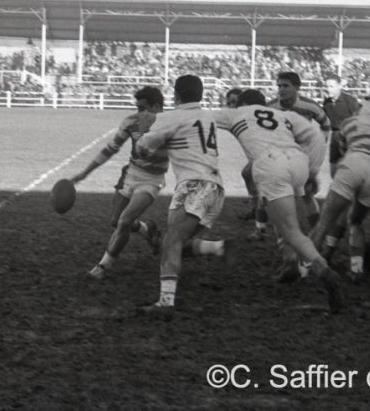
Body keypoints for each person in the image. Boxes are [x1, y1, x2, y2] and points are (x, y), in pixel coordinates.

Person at [214, 89, 343, 313]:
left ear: (243, 103)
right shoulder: (284, 115)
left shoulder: (238, 113)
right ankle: (290, 262)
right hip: (297, 162)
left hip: (271, 165)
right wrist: (312, 171)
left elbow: (197, 117)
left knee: (290, 229)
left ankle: (323, 270)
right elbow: (315, 136)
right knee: (282, 216)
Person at [135, 75, 231, 318]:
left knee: (171, 241)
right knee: (177, 243)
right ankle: (219, 248)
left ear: (176, 95)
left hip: (194, 185)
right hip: (216, 188)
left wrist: (143, 130)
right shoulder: (207, 116)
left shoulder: (170, 117)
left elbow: (142, 151)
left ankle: (166, 303)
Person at [70, 86, 168, 279]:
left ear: (157, 107)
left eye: (143, 108)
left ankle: (103, 266)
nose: (139, 112)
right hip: (130, 174)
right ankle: (147, 229)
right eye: (137, 108)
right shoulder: (131, 122)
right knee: (116, 221)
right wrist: (84, 173)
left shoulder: (171, 125)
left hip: (152, 180)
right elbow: (111, 148)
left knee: (124, 221)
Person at [248, 72, 330, 281]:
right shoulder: (271, 107)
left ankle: (316, 235)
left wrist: (321, 144)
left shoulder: (310, 106)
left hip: (303, 154)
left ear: (296, 87)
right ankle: (261, 231)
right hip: (278, 154)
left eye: (285, 85)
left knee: (306, 194)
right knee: (271, 193)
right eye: (279, 86)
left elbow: (325, 123)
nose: (281, 90)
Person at [311, 98, 370, 282]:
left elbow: (342, 148)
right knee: (356, 221)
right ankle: (356, 269)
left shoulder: (350, 122)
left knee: (325, 221)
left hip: (353, 164)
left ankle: (306, 265)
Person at [320, 74, 361, 261]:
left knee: (348, 176)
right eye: (327, 86)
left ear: (339, 86)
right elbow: (325, 124)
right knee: (334, 174)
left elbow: (358, 122)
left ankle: (347, 199)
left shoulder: (350, 101)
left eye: (331, 85)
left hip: (350, 139)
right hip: (335, 140)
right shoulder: (327, 103)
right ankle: (344, 195)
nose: (329, 89)